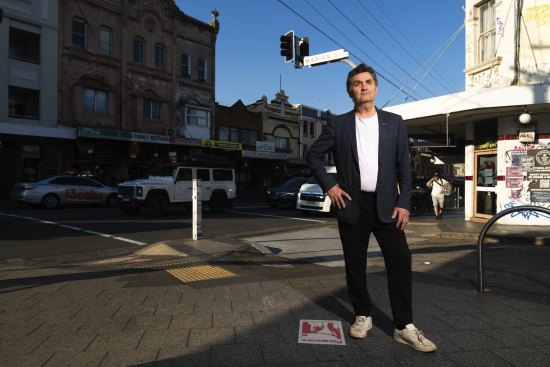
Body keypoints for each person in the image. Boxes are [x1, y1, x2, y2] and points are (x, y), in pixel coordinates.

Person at [306, 63, 437, 353]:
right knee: (355, 264)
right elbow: (313, 155)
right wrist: (330, 185)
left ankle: (403, 326)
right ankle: (362, 314)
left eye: (367, 82)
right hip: (352, 204)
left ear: (376, 88)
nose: (363, 87)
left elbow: (405, 168)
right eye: (356, 83)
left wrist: (404, 204)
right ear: (350, 90)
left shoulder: (394, 122)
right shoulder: (338, 124)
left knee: (400, 261)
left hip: (387, 206)